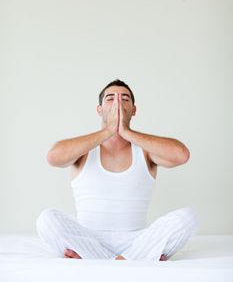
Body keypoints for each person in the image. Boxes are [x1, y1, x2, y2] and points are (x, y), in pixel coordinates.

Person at [36, 79, 198, 261]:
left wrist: (126, 132)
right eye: (111, 99)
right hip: (88, 238)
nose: (118, 103)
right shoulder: (84, 149)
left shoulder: (145, 151)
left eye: (125, 99)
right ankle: (129, 261)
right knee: (47, 219)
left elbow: (181, 155)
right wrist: (108, 131)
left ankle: (101, 261)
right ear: (99, 109)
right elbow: (53, 157)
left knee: (188, 218)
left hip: (135, 240)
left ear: (134, 110)